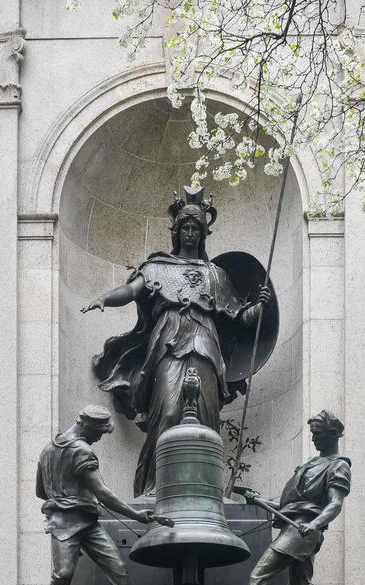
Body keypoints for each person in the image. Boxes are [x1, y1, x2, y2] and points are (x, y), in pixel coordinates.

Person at [82, 185, 273, 496]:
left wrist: (260, 307)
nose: (190, 233)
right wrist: (106, 298)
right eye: (184, 227)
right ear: (175, 231)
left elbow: (239, 317)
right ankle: (156, 486)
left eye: (195, 228)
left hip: (206, 343)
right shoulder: (157, 267)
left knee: (206, 413)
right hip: (168, 342)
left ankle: (204, 488)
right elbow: (132, 291)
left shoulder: (215, 274)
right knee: (169, 410)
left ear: (203, 233)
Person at [213, 410, 351, 585]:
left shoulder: (338, 466)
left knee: (259, 574)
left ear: (333, 435)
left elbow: (335, 504)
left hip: (302, 530)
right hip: (298, 527)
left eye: (317, 434)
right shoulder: (312, 464)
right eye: (312, 434)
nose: (313, 438)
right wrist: (259, 500)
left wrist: (314, 524)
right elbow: (290, 506)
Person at [29, 404, 154, 585]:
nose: (99, 439)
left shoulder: (48, 449)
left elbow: (41, 492)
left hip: (86, 523)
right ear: (87, 426)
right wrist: (136, 515)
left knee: (118, 570)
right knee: (63, 574)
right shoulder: (81, 451)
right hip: (66, 523)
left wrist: (67, 496)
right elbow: (104, 493)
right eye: (99, 433)